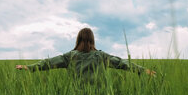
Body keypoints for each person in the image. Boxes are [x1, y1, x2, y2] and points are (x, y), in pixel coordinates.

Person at [15, 28, 156, 77]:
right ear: (92, 40)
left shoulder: (69, 57)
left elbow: (48, 63)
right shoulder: (101, 56)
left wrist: (29, 67)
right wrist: (143, 71)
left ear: (78, 40)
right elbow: (122, 63)